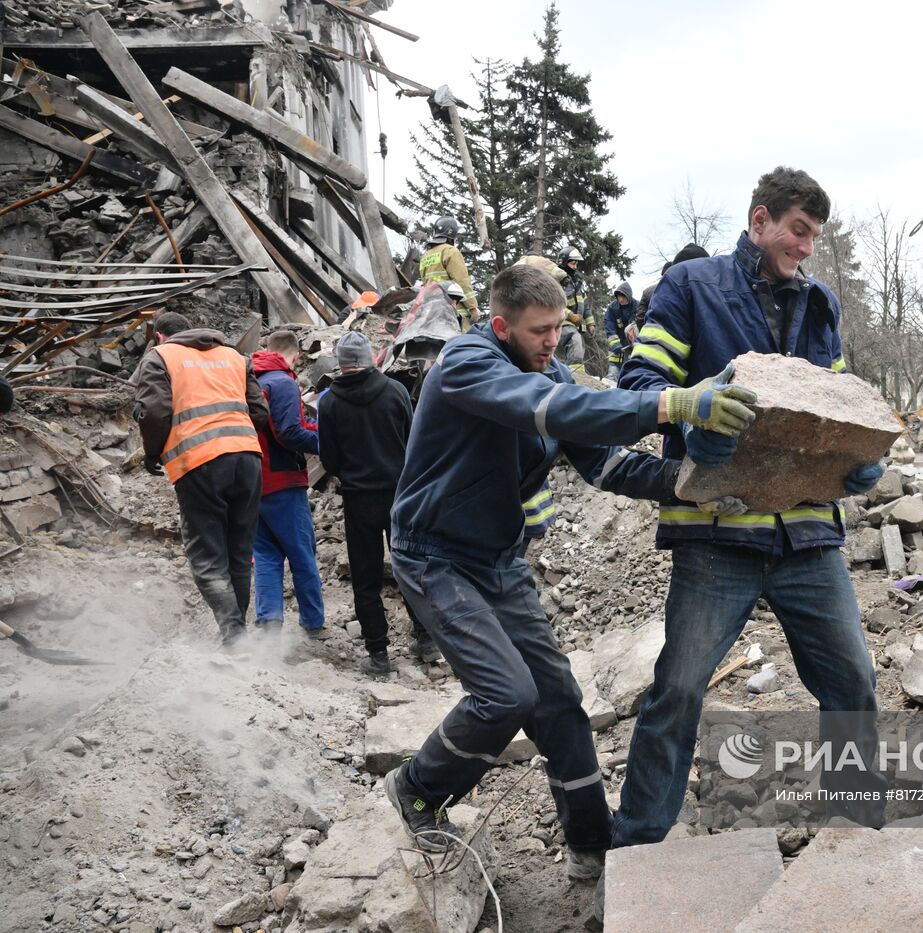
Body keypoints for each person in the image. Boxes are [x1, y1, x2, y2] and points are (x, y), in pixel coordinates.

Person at [382, 263, 756, 877]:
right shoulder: (465, 365)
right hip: (433, 554)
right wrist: (668, 404)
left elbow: (604, 464)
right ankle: (418, 788)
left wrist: (688, 486)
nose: (552, 341)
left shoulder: (548, 371)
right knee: (506, 695)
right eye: (538, 331)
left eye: (558, 327)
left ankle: (591, 842)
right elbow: (550, 407)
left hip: (498, 558)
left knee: (559, 700)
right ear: (501, 326)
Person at [613, 167, 886, 867]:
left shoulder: (821, 303)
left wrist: (855, 458)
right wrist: (695, 408)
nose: (806, 247)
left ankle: (859, 840)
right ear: (760, 219)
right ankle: (637, 847)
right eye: (798, 231)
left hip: (806, 533)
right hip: (718, 535)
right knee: (677, 687)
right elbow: (640, 385)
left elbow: (840, 399)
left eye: (815, 237)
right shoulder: (693, 288)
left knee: (852, 679)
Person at [133, 312, 268, 646]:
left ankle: (234, 637)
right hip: (247, 459)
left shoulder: (160, 358)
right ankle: (239, 636)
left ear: (160, 336)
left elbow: (153, 413)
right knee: (239, 551)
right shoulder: (234, 357)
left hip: (199, 462)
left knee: (207, 555)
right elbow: (260, 412)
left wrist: (153, 453)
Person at [316, 332, 442, 674]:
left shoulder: (328, 402)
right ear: (371, 358)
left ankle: (378, 654)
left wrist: (352, 475)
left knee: (366, 576)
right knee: (411, 568)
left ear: (341, 364)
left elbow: (329, 459)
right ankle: (427, 641)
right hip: (400, 495)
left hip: (359, 499)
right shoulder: (395, 391)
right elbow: (414, 440)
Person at [251, 331, 327, 640]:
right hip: (282, 479)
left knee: (266, 554)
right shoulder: (282, 382)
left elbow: (287, 425)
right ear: (294, 354)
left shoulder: (253, 379)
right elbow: (289, 432)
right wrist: (328, 443)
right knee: (301, 553)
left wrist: (317, 428)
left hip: (253, 480)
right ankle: (313, 622)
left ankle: (269, 622)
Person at [419, 216, 481, 328]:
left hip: (432, 311)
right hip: (454, 312)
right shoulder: (450, 251)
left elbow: (425, 284)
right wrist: (473, 308)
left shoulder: (426, 256)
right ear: (452, 234)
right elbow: (462, 282)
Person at [557, 246, 590, 371]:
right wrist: (570, 315)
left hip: (576, 324)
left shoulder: (577, 282)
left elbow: (585, 303)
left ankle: (571, 373)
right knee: (574, 340)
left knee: (579, 344)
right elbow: (554, 304)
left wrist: (590, 323)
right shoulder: (558, 280)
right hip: (561, 321)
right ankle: (575, 375)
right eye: (572, 263)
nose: (575, 267)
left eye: (576, 264)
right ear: (563, 262)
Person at [603, 282, 638, 380]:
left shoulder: (638, 306)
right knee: (613, 373)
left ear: (629, 296)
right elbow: (609, 327)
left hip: (632, 346)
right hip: (616, 345)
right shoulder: (612, 308)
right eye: (618, 296)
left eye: (623, 296)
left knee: (630, 374)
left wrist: (635, 342)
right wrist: (615, 344)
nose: (620, 299)